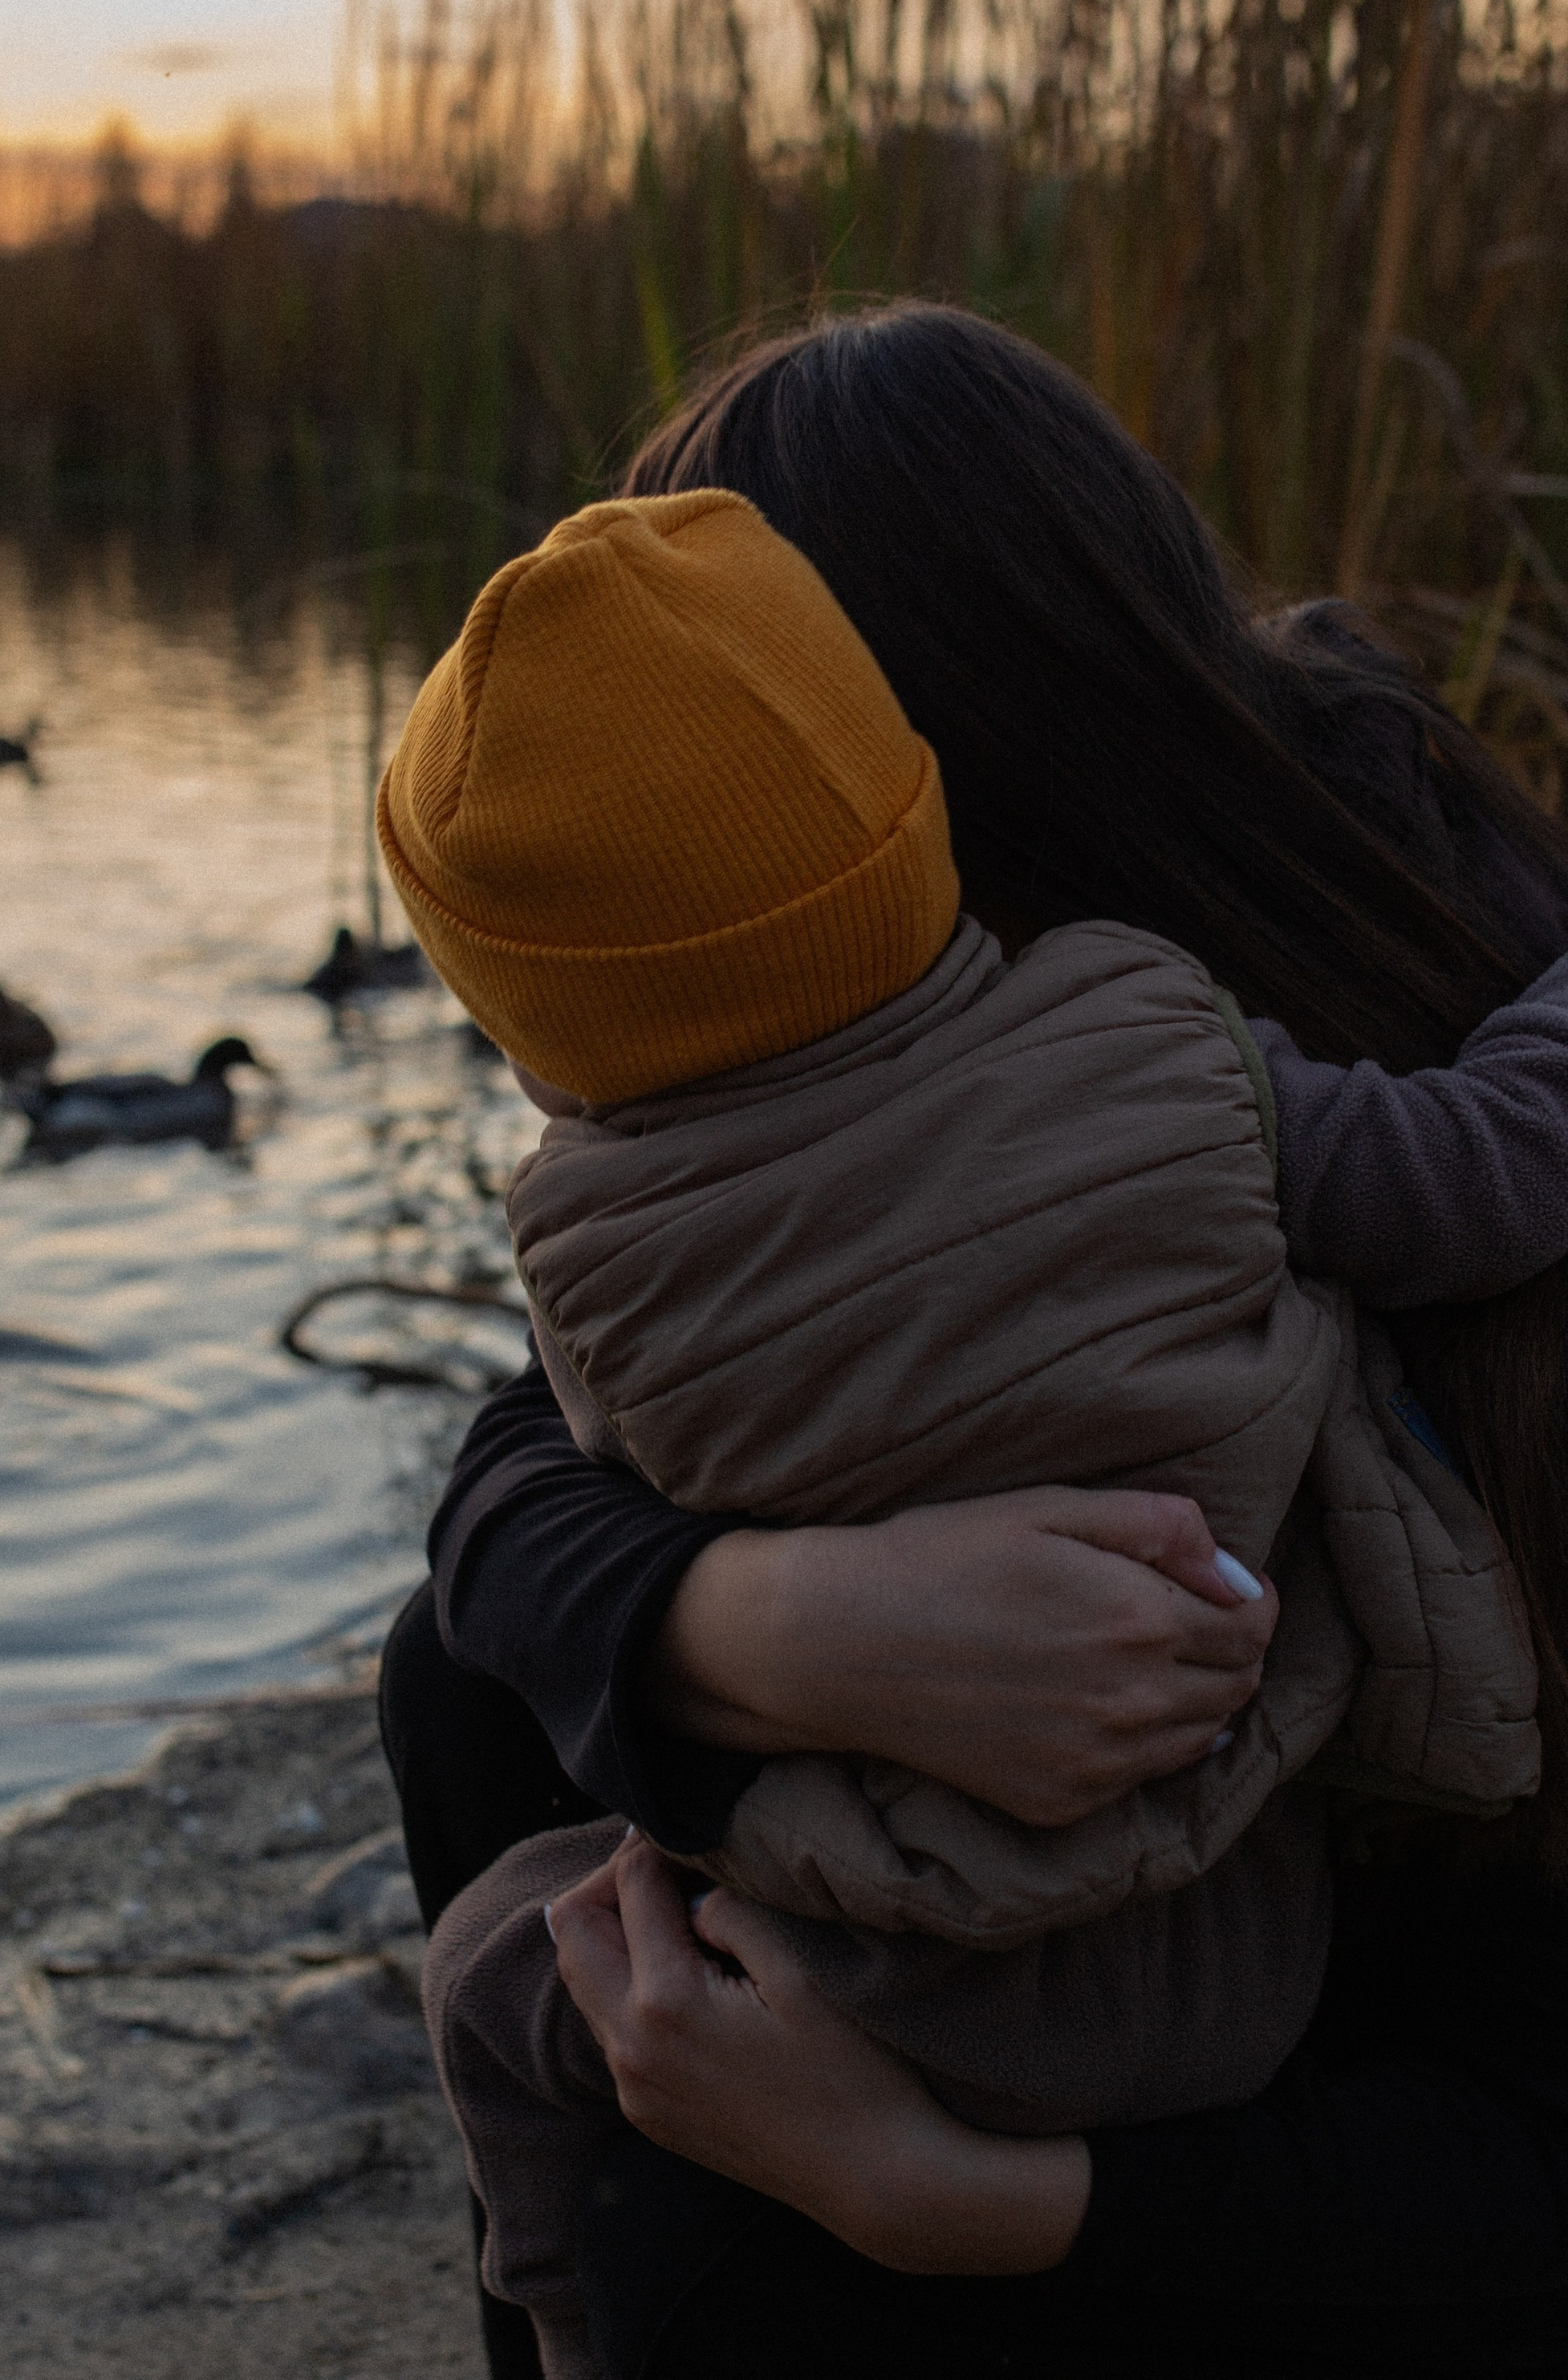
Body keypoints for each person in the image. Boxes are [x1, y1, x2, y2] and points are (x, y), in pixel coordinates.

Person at [378, 306, 1568, 2378]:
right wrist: (770, 1622)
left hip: (1394, 2124)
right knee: (469, 1667)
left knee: (683, 2237)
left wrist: (949, 2196)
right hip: (1095, 1949)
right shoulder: (924, 1043)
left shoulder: (1250, 1085)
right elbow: (519, 1462)